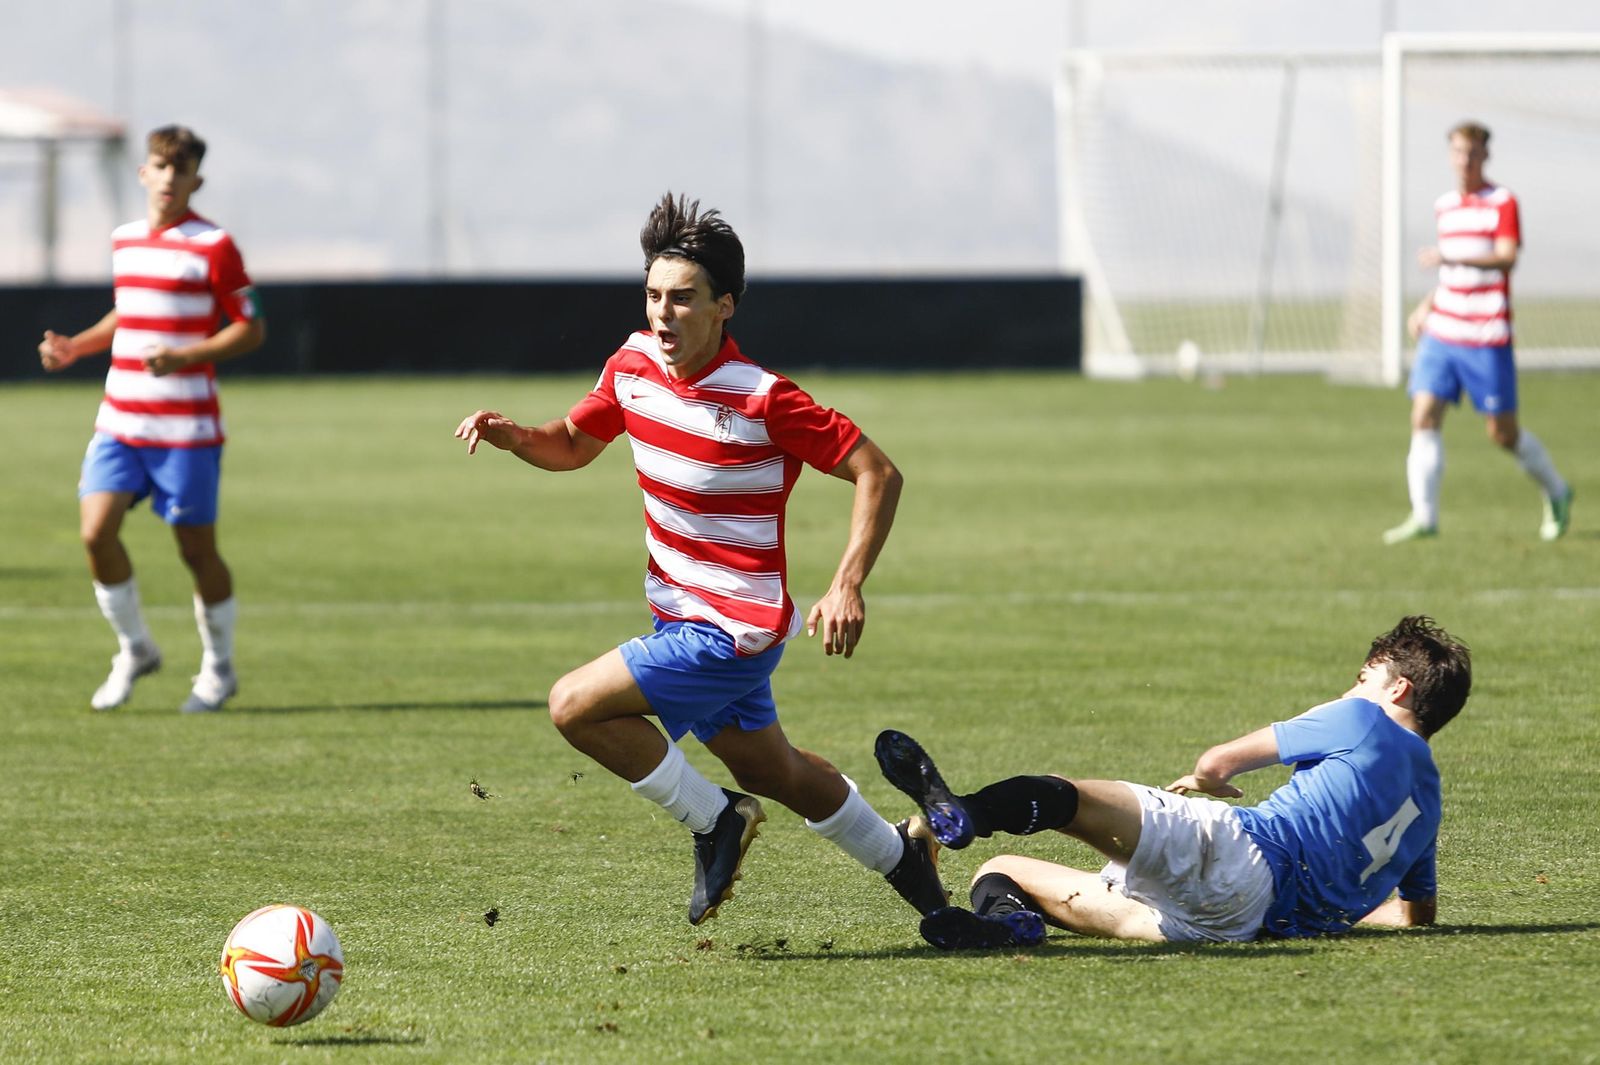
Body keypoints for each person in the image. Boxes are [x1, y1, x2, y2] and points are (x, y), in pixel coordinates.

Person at [453, 192, 946, 925]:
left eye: (684, 299)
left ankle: (716, 821)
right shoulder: (631, 365)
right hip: (679, 616)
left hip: (730, 632)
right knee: (774, 770)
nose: (663, 313)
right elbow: (573, 442)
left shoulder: (765, 399)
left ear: (726, 306)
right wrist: (514, 435)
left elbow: (879, 471)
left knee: (573, 707)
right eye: (654, 295)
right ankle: (903, 855)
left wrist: (847, 583)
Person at [875, 615, 1471, 949]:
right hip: (1239, 924)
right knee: (1000, 870)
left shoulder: (1363, 719)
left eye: (1362, 678)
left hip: (1243, 852)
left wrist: (1210, 782)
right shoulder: (1431, 803)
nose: (1351, 691)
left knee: (1066, 796)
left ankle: (964, 815)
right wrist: (1339, 911)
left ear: (1398, 690)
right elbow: (1415, 916)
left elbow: (1218, 762)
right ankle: (1008, 924)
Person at [38, 125, 265, 713]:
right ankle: (135, 647)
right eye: (160, 166)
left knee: (196, 552)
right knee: (95, 533)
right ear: (144, 173)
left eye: (180, 168)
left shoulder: (214, 244)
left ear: (196, 179)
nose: (169, 177)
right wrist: (77, 346)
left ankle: (218, 668)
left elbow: (251, 328)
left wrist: (184, 356)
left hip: (185, 432)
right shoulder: (126, 239)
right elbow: (129, 312)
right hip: (119, 421)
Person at [1384, 121, 1573, 545]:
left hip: (1486, 335)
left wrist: (1451, 256)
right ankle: (1424, 517)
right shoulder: (1445, 206)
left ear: (1485, 155)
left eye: (1472, 153)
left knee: (1502, 434)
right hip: (1444, 331)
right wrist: (1426, 305)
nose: (1464, 160)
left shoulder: (1502, 202)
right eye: (1457, 152)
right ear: (1450, 155)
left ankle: (1558, 492)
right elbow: (1453, 275)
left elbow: (1506, 258)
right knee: (1423, 415)